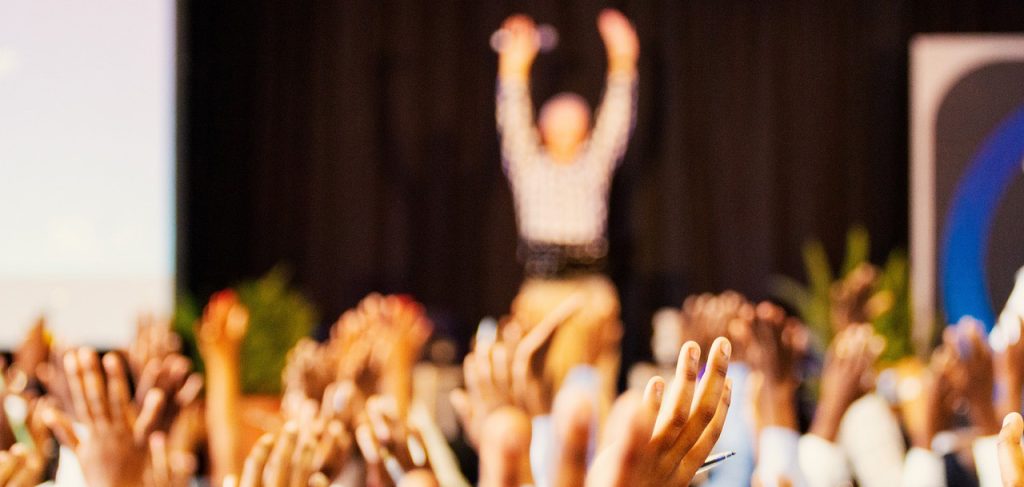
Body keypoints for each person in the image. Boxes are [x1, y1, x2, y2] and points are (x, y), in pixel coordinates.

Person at [495, 8, 639, 410]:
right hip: (542, 289)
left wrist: (623, 59)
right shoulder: (529, 166)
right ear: (542, 129)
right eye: (557, 121)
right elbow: (512, 117)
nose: (566, 128)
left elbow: (617, 119)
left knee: (594, 393)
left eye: (575, 121)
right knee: (541, 390)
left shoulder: (593, 165)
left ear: (586, 128)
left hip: (590, 290)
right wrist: (513, 66)